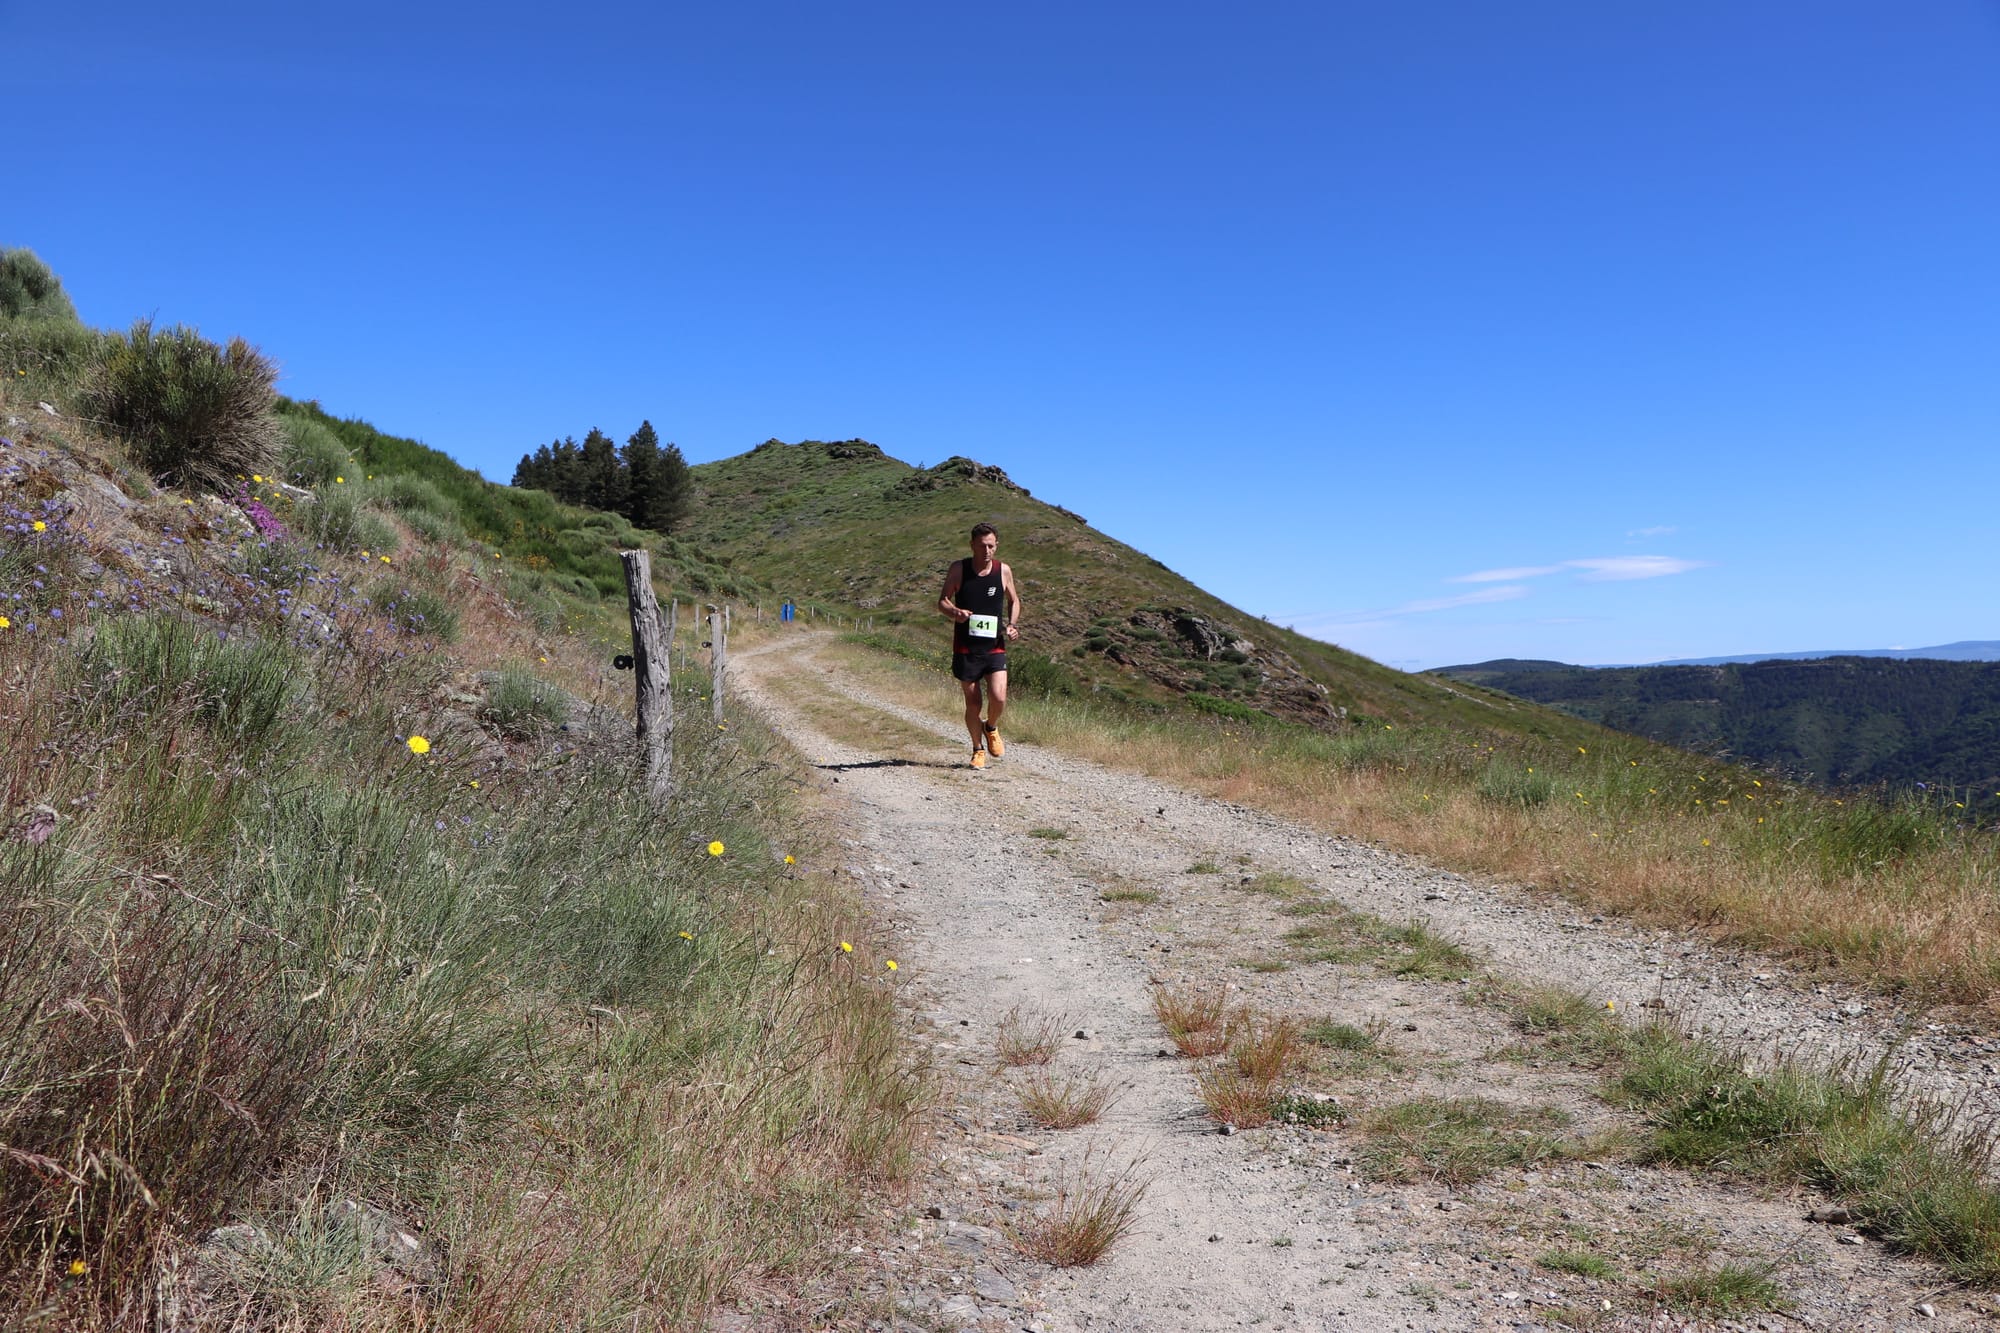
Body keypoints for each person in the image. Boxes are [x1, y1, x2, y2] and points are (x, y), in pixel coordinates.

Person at [938, 522, 1021, 769]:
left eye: (991, 546)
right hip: (966, 647)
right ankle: (977, 749)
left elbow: (1014, 600)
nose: (987, 551)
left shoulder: (1003, 570)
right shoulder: (959, 569)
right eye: (982, 546)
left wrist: (1013, 624)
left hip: (994, 645)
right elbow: (942, 601)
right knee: (973, 704)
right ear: (972, 545)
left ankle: (991, 727)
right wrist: (955, 612)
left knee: (999, 697)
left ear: (997, 546)